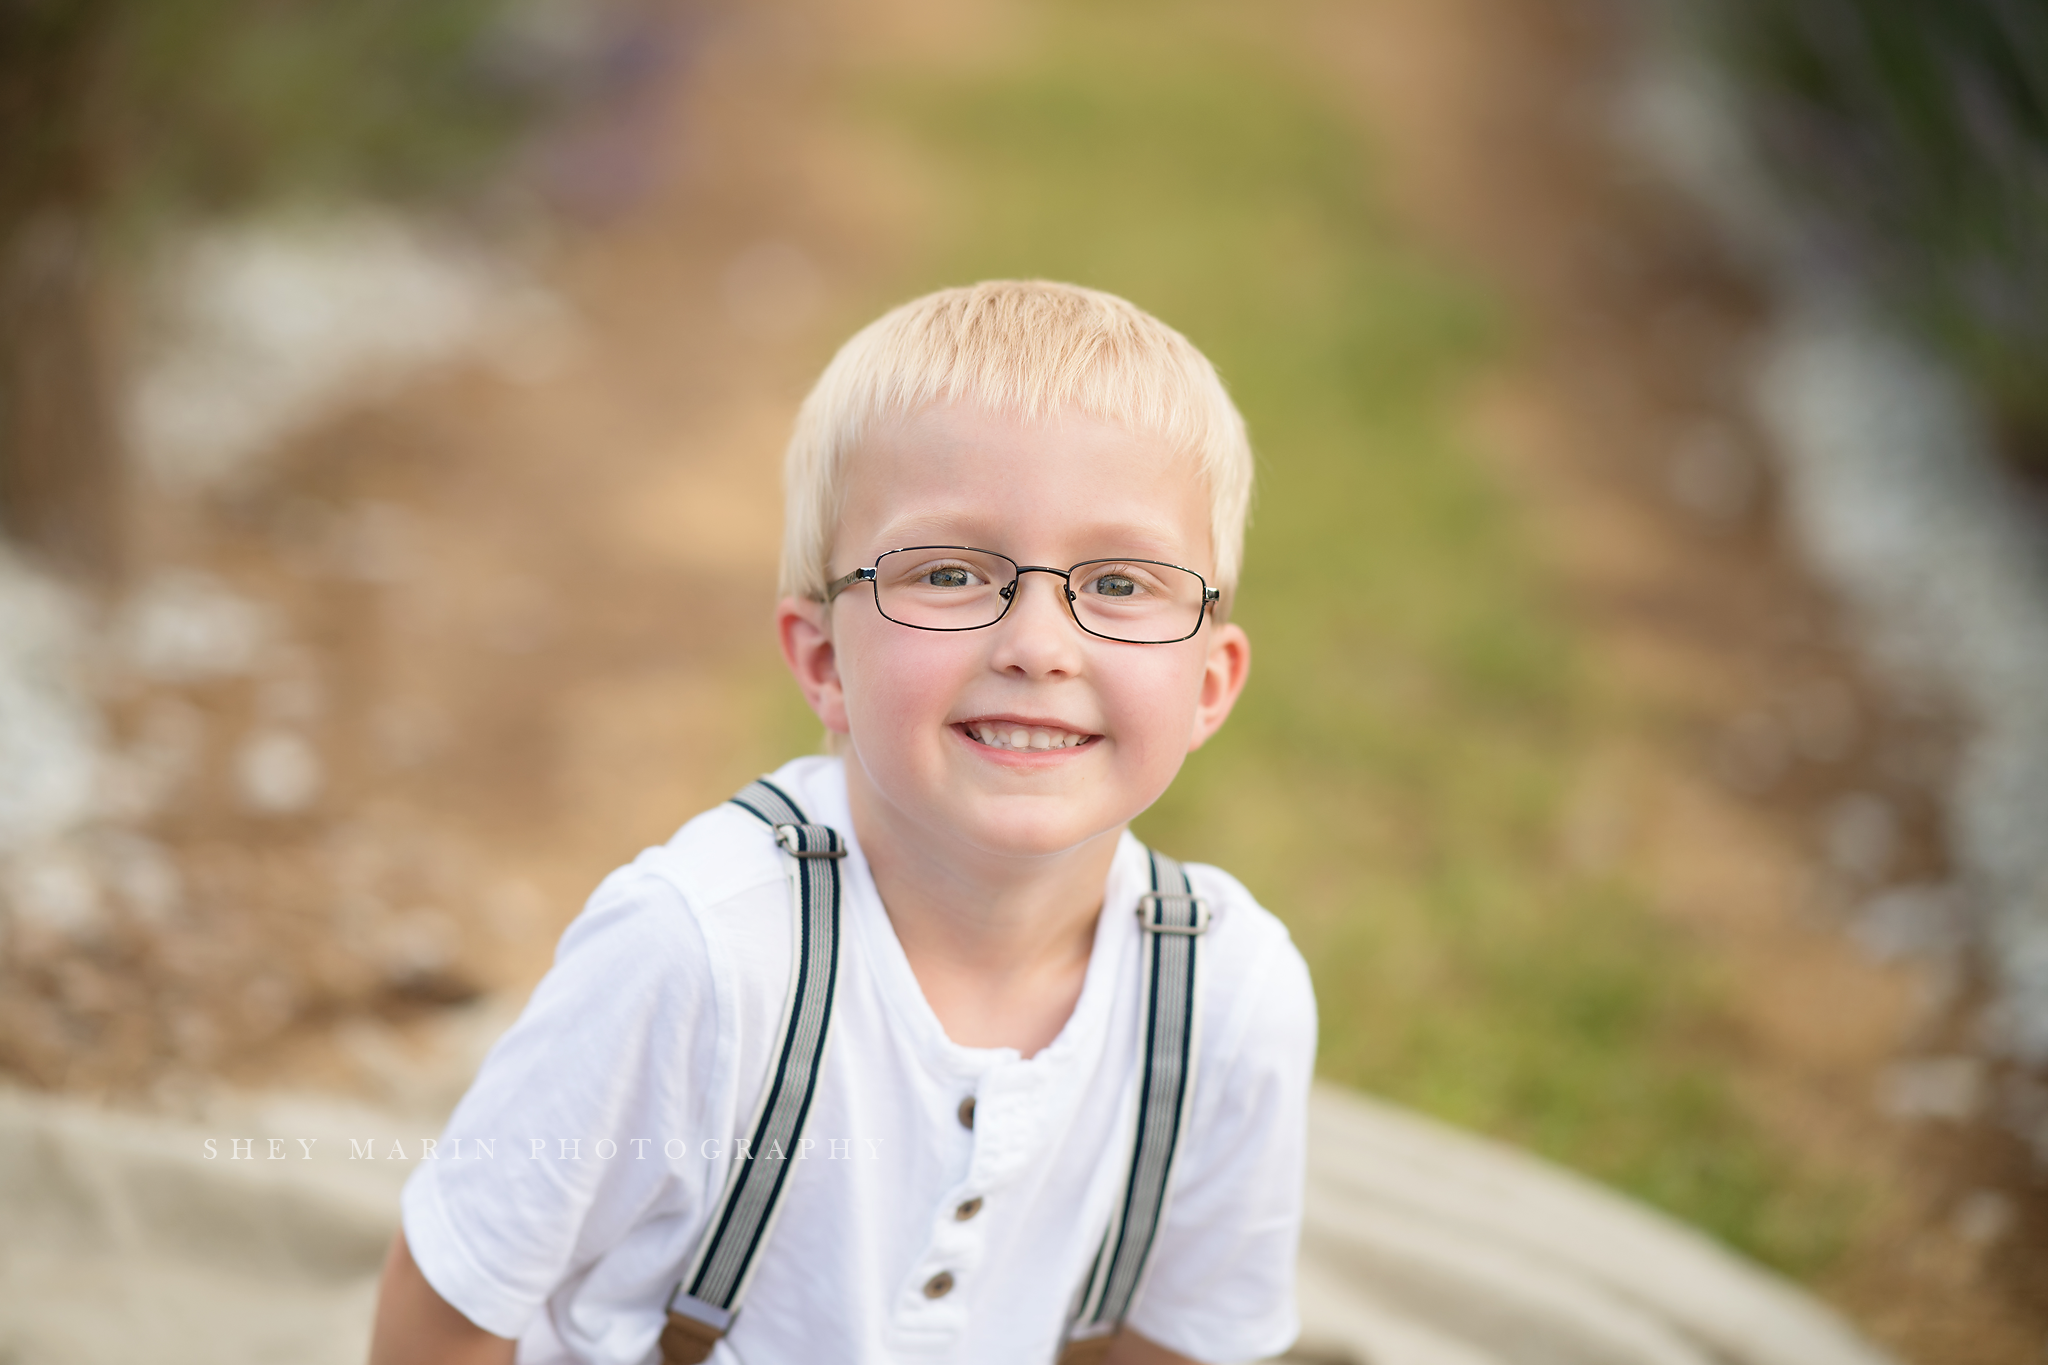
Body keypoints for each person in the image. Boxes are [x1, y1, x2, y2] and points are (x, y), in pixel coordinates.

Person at [368, 280, 1317, 1365]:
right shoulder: (695, 952)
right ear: (823, 661)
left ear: (1208, 682)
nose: (1038, 645)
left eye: (1117, 582)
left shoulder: (1225, 995)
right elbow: (447, 1312)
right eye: (951, 573)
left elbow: (1178, 1342)